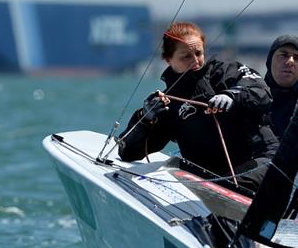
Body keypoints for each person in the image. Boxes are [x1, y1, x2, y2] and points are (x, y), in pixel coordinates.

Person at [118, 22, 278, 196]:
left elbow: (261, 91)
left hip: (263, 163)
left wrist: (232, 96)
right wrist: (145, 119)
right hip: (214, 183)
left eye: (198, 53)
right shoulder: (168, 103)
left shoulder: (226, 72)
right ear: (168, 59)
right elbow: (128, 152)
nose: (195, 61)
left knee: (223, 188)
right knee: (217, 189)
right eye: (185, 56)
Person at [264, 34, 298, 138]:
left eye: (297, 58)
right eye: (283, 55)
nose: (290, 62)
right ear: (270, 61)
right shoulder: (248, 101)